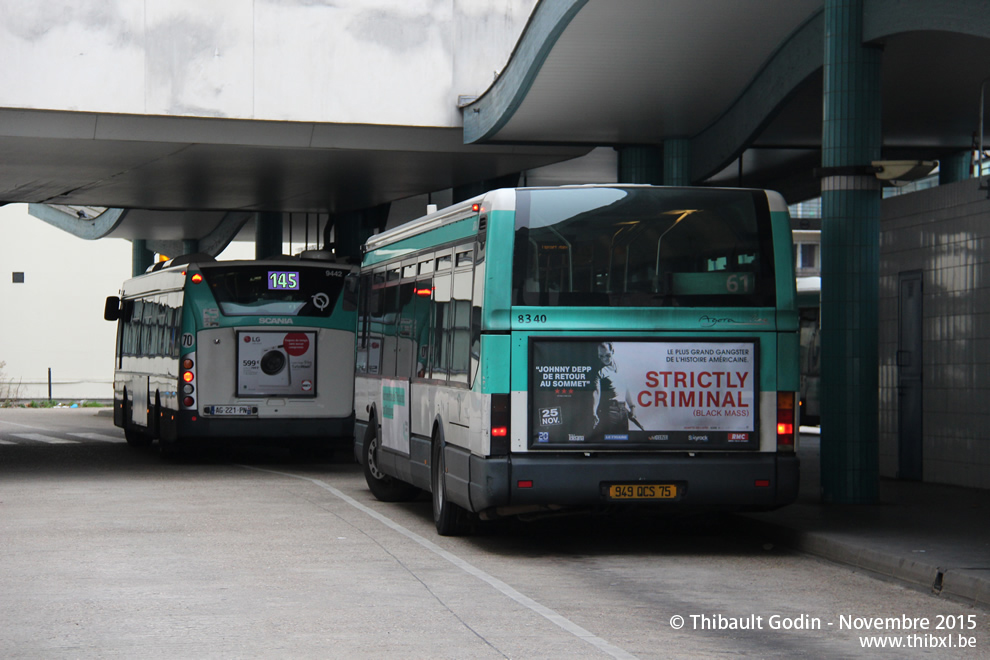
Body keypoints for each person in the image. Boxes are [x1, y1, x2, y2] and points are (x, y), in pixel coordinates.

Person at [591, 342, 642, 437]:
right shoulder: (600, 372)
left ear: (612, 351)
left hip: (623, 410)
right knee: (611, 441)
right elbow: (597, 393)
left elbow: (626, 388)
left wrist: (632, 407)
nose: (604, 359)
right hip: (610, 411)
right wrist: (594, 412)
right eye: (601, 356)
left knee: (624, 441)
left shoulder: (622, 367)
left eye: (607, 355)